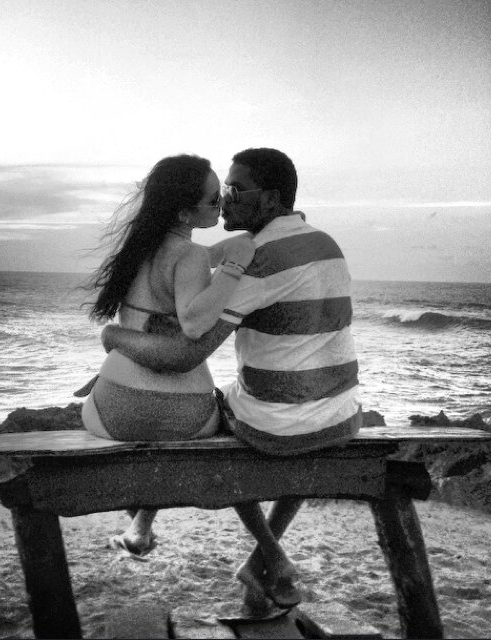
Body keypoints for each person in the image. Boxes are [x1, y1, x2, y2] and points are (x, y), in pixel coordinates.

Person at [100, 148, 363, 616]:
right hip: (342, 417)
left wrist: (115, 336)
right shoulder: (326, 244)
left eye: (236, 190)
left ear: (271, 199)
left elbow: (187, 353)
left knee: (207, 412)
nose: (226, 200)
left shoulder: (258, 262)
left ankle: (254, 553)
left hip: (277, 427)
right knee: (286, 417)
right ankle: (258, 563)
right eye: (223, 191)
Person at [79, 154, 256, 560]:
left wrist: (223, 250)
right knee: (222, 419)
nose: (222, 204)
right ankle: (141, 527)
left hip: (113, 412)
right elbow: (194, 324)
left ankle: (140, 527)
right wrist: (234, 266)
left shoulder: (136, 251)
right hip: (187, 415)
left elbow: (185, 266)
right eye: (213, 200)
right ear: (183, 212)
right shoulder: (189, 257)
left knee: (97, 409)